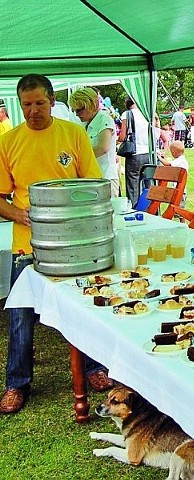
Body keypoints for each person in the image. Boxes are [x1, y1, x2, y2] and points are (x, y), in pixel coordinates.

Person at [0, 74, 112, 414]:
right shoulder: (8, 142)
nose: (33, 111)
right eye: (26, 105)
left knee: (82, 306)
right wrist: (20, 215)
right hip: (27, 243)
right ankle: (16, 384)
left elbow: (93, 184)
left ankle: (94, 368)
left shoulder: (73, 134)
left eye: (40, 103)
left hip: (73, 242)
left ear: (51, 102)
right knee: (21, 315)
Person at [69, 87, 120, 197]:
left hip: (106, 178)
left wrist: (79, 158)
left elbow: (103, 147)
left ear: (92, 104)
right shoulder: (83, 124)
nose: (77, 114)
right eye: (74, 110)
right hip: (89, 179)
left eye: (80, 109)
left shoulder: (104, 120)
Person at [119, 96, 150, 208]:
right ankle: (151, 209)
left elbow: (123, 136)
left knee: (132, 185)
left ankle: (133, 208)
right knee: (149, 185)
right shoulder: (147, 113)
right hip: (148, 153)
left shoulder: (127, 114)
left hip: (134, 153)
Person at [158, 140, 189, 214]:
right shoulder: (180, 160)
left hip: (180, 190)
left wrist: (159, 157)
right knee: (176, 208)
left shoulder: (180, 160)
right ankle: (180, 221)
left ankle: (182, 222)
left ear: (174, 152)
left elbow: (167, 164)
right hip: (177, 188)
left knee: (179, 209)